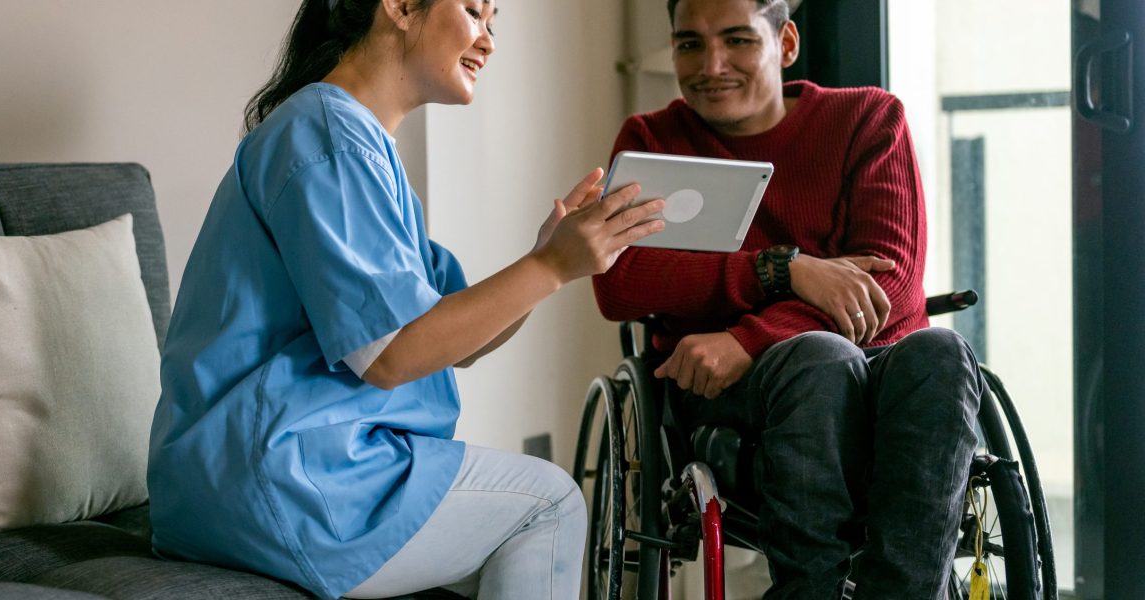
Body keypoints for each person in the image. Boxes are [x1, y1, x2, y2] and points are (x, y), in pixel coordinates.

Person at [146, 1, 665, 599]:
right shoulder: (327, 134)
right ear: (397, 5)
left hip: (238, 482)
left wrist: (554, 261)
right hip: (280, 479)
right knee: (548, 505)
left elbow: (457, 341)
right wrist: (546, 268)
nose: (488, 41)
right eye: (474, 11)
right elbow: (393, 354)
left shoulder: (355, 145)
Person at [592, 0, 984, 598]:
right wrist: (789, 271)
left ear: (787, 43)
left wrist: (749, 335)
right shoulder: (654, 140)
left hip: (858, 367)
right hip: (725, 393)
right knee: (819, 358)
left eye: (738, 41)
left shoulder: (869, 120)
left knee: (942, 352)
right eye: (689, 44)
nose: (711, 64)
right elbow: (619, 281)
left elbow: (893, 284)